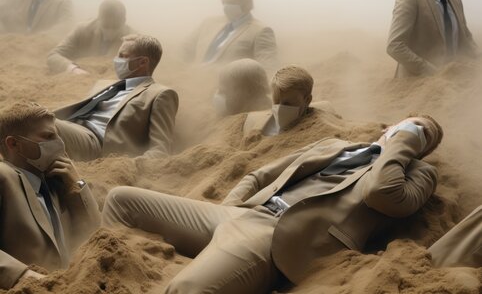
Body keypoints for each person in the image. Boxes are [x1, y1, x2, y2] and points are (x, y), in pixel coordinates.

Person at [102, 114, 443, 293]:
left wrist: (402, 147)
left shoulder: (419, 174)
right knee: (122, 200)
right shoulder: (336, 143)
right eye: (409, 122)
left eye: (422, 134)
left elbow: (379, 193)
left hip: (277, 236)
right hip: (242, 214)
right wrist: (234, 206)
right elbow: (260, 175)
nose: (411, 129)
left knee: (187, 289)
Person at [0, 101, 100, 290]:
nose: (59, 143)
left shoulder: (58, 180)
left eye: (58, 136)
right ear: (14, 144)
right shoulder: (3, 176)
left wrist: (78, 186)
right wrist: (25, 276)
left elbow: (95, 235)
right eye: (48, 136)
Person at [54, 34, 178, 160]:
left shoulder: (160, 94)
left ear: (143, 62)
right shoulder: (103, 84)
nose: (116, 60)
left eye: (122, 56)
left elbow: (160, 150)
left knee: (39, 121)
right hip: (71, 127)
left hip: (97, 143)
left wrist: (124, 165)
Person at [387, 0, 479, 78]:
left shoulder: (456, 1)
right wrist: (434, 73)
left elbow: (466, 40)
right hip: (415, 85)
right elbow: (394, 45)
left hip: (452, 85)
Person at [184, 0, 278, 67]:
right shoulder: (208, 23)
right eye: (224, 1)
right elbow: (185, 49)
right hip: (192, 78)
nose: (226, 6)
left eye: (231, 1)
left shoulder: (261, 31)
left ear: (246, 1)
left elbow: (267, 68)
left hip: (228, 83)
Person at [47, 0, 135, 74]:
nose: (110, 31)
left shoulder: (134, 40)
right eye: (106, 26)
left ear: (124, 20)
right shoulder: (82, 30)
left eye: (115, 26)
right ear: (99, 19)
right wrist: (73, 69)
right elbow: (53, 56)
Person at [243, 65, 335, 136]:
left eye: (287, 103)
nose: (279, 109)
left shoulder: (323, 127)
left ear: (307, 100)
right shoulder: (260, 129)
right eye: (276, 102)